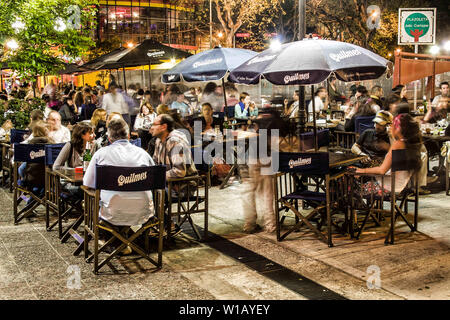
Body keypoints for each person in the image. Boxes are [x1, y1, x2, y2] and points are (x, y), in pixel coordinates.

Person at [83, 118, 156, 228]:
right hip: (144, 213)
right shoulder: (143, 154)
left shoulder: (101, 154)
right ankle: (134, 238)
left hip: (112, 214)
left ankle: (109, 237)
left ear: (109, 138)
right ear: (128, 136)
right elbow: (154, 180)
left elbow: (87, 184)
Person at [353, 114, 422, 197]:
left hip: (385, 187)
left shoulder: (398, 144)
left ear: (398, 128)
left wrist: (361, 171)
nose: (390, 127)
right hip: (400, 187)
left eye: (393, 125)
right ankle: (364, 207)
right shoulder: (412, 145)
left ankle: (356, 207)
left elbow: (382, 170)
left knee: (347, 185)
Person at [150, 114, 197, 180]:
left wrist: (156, 177)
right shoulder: (158, 140)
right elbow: (154, 163)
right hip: (167, 183)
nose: (151, 127)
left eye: (154, 124)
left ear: (164, 127)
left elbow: (179, 172)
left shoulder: (175, 141)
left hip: (182, 185)